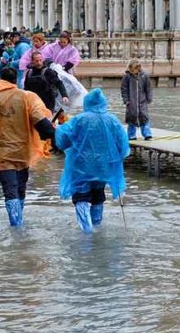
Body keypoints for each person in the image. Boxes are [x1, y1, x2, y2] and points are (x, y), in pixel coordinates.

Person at [0, 67, 56, 227]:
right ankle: (19, 228)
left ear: (1, 79)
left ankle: (16, 227)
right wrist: (55, 137)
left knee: (10, 188)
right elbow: (40, 121)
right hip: (22, 151)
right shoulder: (26, 97)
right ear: (16, 80)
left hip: (0, 153)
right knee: (20, 187)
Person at [55, 88, 131, 233]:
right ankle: (97, 226)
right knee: (98, 195)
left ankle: (86, 231)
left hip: (81, 166)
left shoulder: (80, 120)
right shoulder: (112, 120)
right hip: (103, 166)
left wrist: (56, 130)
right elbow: (123, 144)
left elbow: (62, 139)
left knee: (81, 196)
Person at [23, 50, 70, 116]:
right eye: (36, 61)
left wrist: (64, 95)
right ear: (32, 62)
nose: (39, 63)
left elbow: (59, 83)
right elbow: (26, 88)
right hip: (34, 102)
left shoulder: (48, 72)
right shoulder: (29, 73)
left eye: (40, 60)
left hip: (48, 102)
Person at [121, 59, 154, 140]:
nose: (132, 72)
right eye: (131, 70)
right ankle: (131, 135)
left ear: (138, 68)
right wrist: (126, 100)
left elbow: (148, 88)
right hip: (131, 102)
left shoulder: (144, 76)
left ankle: (147, 134)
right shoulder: (126, 77)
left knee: (144, 116)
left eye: (133, 70)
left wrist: (149, 98)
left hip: (142, 101)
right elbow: (124, 89)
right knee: (131, 118)